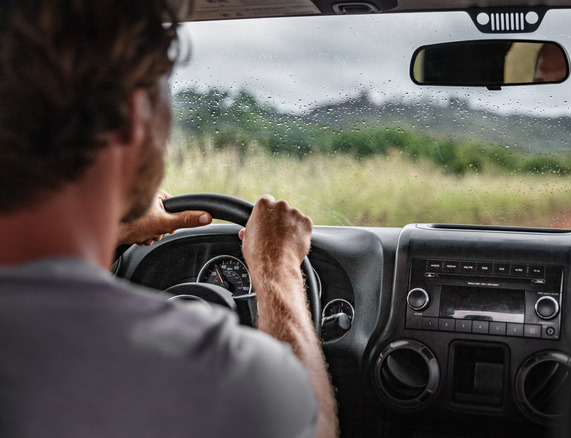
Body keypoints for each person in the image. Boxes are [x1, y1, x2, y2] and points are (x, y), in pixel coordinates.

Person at [0, 1, 337, 437]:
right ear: (132, 118)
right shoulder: (212, 373)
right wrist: (277, 268)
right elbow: (315, 425)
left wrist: (110, 233)